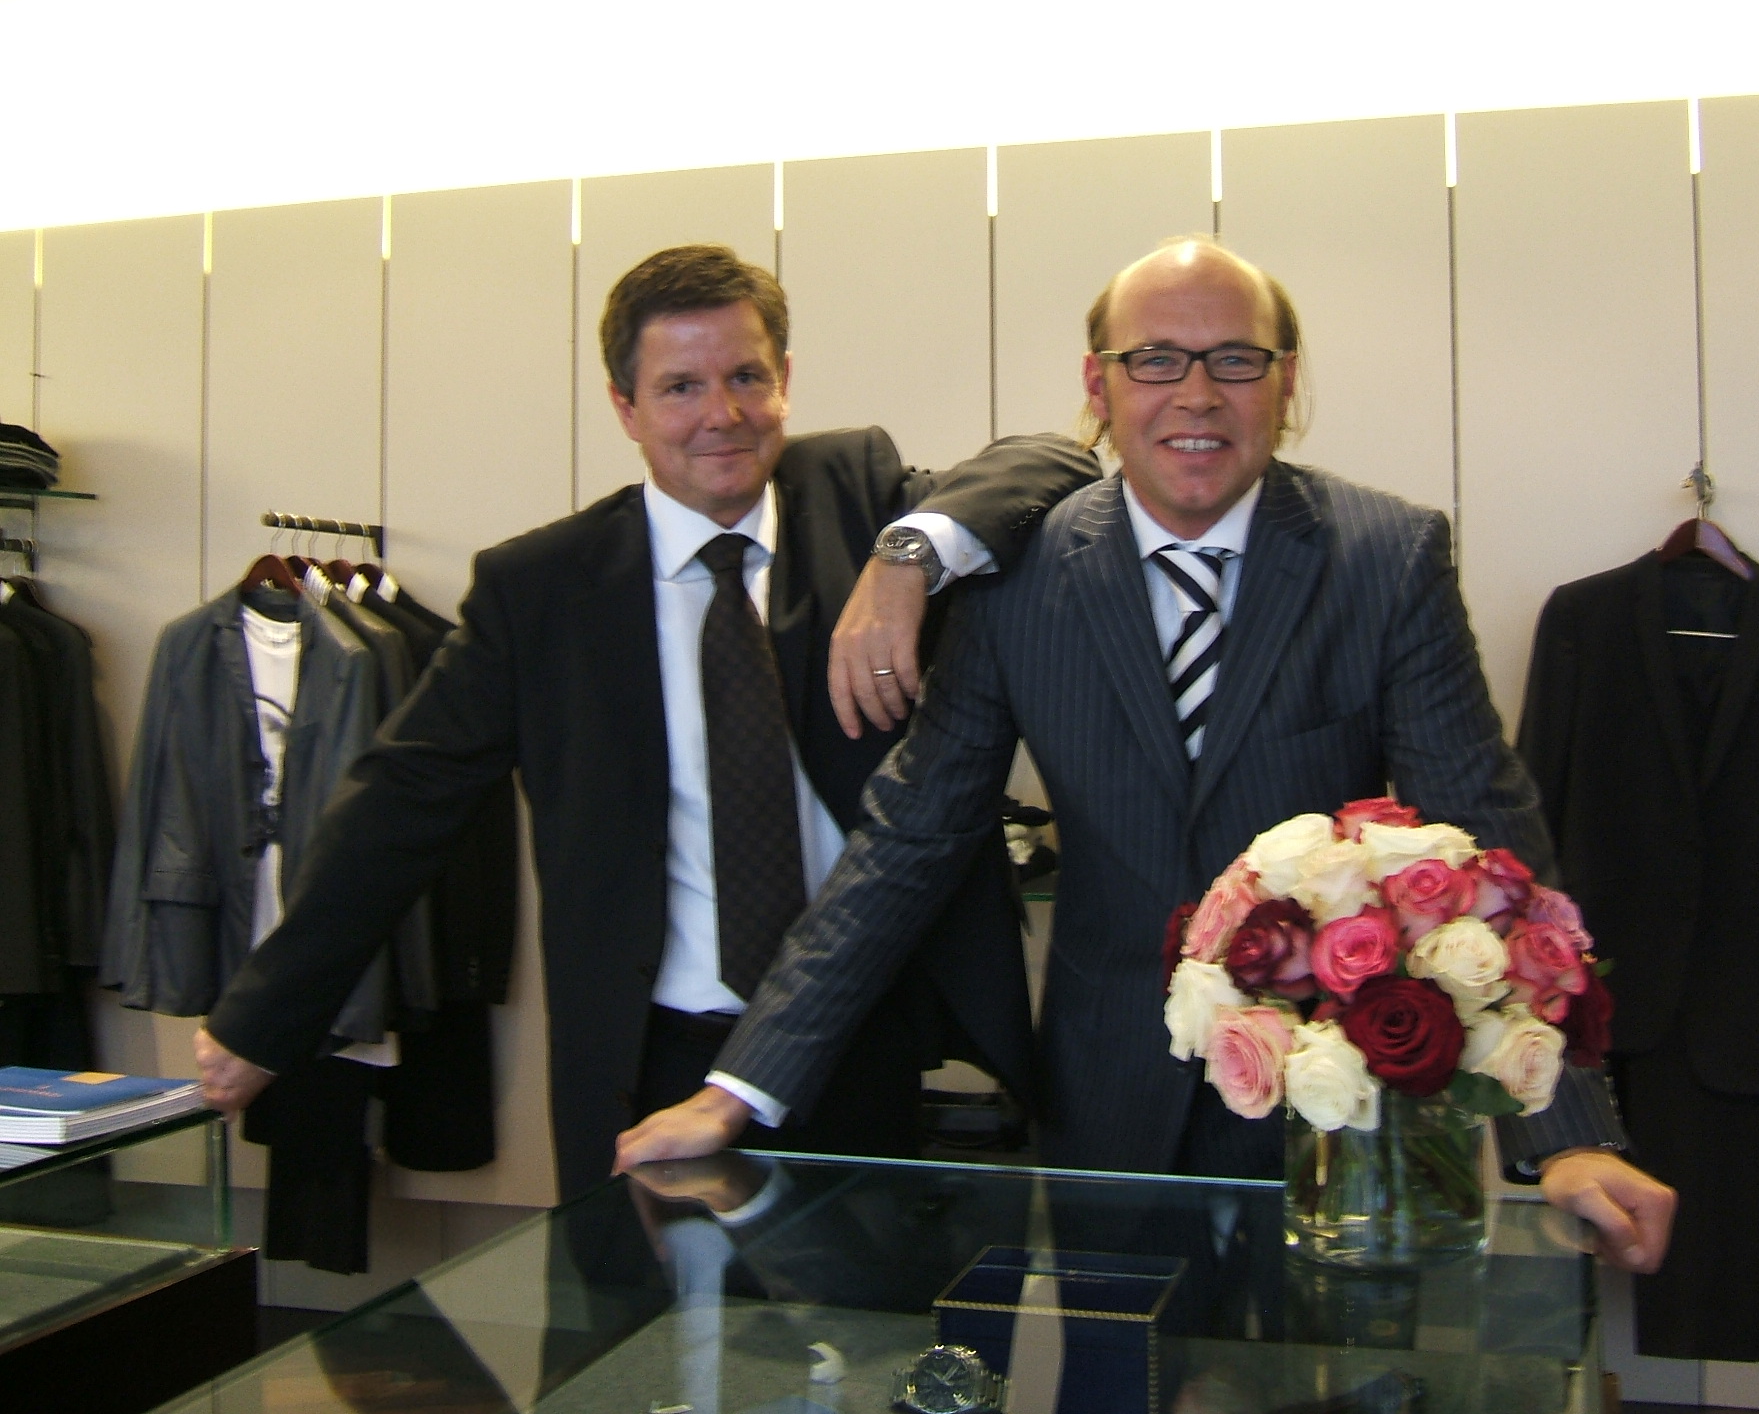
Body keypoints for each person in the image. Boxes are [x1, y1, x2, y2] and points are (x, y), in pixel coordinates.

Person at [622, 239, 1677, 1272]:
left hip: (1337, 1115)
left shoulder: (1385, 558)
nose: (1196, 394)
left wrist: (1568, 1136)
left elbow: (1488, 839)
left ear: (1285, 381)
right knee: (1113, 1362)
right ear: (1100, 385)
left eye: (1235, 359)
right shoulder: (1017, 578)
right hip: (1106, 1101)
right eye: (1155, 360)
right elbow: (907, 840)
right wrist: (739, 1088)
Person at [191, 245, 1099, 1201]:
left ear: (785, 380)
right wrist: (264, 1017)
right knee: (644, 1301)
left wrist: (908, 557)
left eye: (746, 376)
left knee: (876, 1297)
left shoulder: (857, 494)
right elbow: (400, 803)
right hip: (650, 1054)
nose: (723, 414)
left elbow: (1053, 460)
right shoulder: (539, 590)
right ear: (625, 407)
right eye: (680, 387)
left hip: (864, 1038)